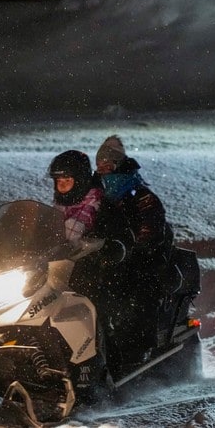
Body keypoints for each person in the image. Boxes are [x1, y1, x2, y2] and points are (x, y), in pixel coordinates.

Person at [91, 134, 175, 358]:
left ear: (118, 166)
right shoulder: (94, 197)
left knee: (138, 291)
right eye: (100, 166)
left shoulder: (143, 199)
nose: (103, 171)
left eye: (108, 165)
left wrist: (130, 250)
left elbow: (150, 234)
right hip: (105, 259)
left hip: (140, 263)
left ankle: (136, 350)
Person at [47, 149, 102, 243]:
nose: (62, 185)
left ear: (79, 181)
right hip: (58, 252)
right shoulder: (63, 201)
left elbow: (73, 231)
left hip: (82, 254)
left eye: (67, 180)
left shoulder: (92, 205)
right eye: (59, 181)